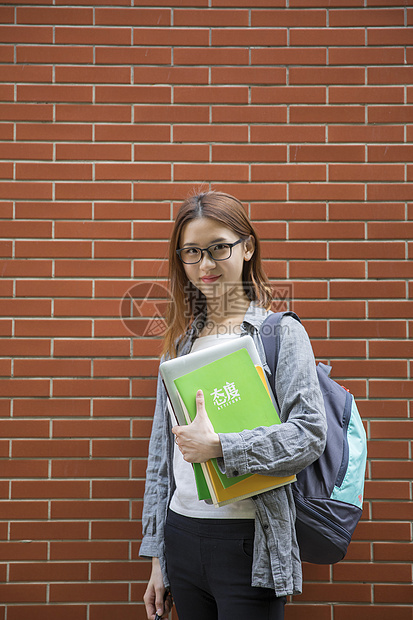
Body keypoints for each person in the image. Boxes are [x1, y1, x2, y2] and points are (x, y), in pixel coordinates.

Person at [140, 191, 327, 620]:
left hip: (249, 540)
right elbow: (161, 459)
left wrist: (223, 445)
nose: (205, 265)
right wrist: (157, 557)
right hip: (182, 537)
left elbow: (310, 433)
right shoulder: (179, 346)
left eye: (218, 247)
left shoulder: (279, 334)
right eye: (191, 252)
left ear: (247, 247)